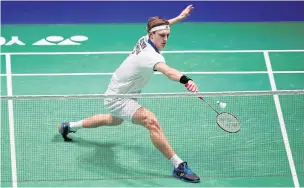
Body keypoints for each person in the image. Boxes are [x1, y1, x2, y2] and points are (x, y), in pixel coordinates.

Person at [58, 5, 200, 183]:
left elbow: (163, 26)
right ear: (151, 35)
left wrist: (179, 17)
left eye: (167, 35)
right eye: (162, 36)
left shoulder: (145, 38)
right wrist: (186, 80)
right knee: (151, 121)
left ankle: (69, 126)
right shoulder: (151, 56)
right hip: (119, 97)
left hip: (121, 90)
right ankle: (178, 166)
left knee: (114, 120)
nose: (165, 39)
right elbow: (168, 71)